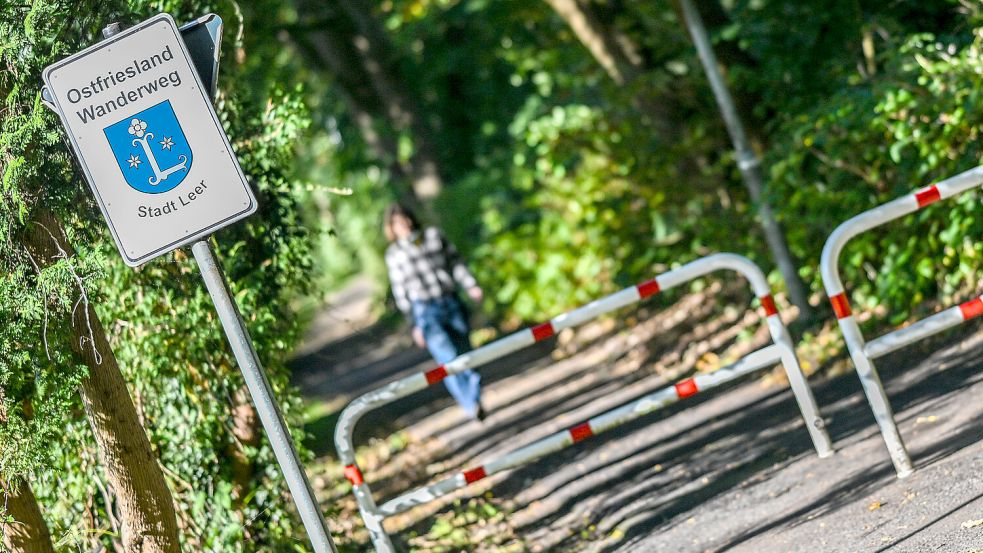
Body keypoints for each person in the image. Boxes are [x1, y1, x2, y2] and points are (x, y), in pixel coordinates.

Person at [383, 203, 487, 420]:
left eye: (404, 219)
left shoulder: (433, 236)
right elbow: (400, 291)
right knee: (448, 359)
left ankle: (475, 397)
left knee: (466, 354)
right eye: (397, 223)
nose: (403, 225)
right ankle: (470, 404)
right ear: (391, 228)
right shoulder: (394, 254)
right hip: (425, 311)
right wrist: (414, 324)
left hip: (450, 301)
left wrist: (470, 285)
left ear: (411, 218)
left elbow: (455, 263)